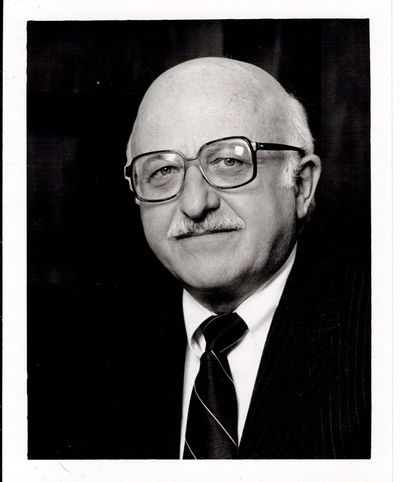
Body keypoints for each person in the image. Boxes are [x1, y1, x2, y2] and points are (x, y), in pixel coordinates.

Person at [123, 57, 370, 459]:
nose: (194, 204)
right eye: (163, 171)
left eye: (229, 161)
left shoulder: (377, 339)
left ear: (301, 185)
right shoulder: (80, 352)